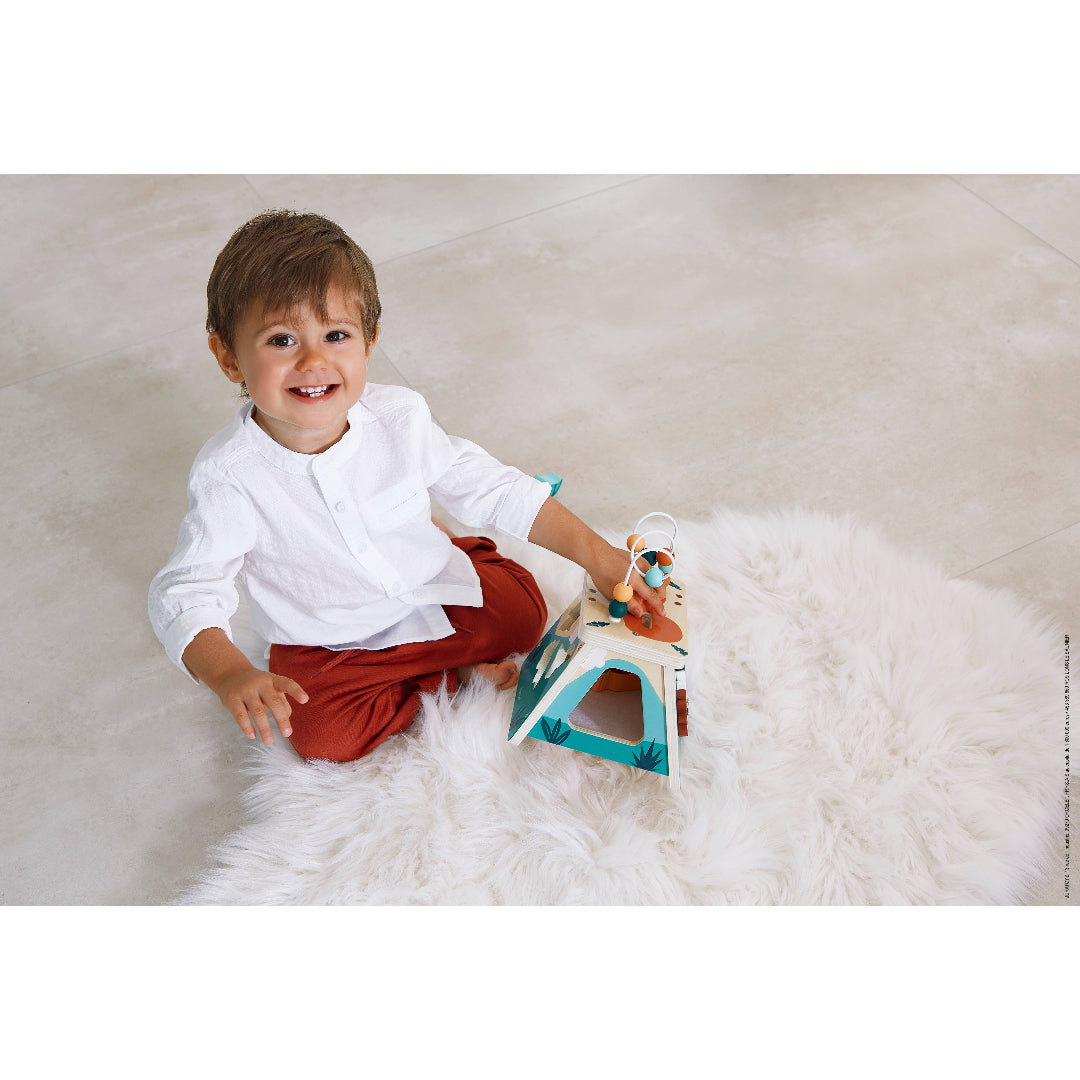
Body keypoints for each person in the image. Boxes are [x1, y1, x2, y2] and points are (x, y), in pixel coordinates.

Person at [148, 210, 666, 763]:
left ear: (370, 341)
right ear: (229, 357)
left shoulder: (399, 417)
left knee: (524, 612)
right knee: (322, 735)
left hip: (432, 588)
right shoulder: (230, 477)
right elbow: (186, 592)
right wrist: (231, 674)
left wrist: (597, 555)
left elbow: (491, 487)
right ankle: (450, 681)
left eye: (336, 335)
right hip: (335, 644)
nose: (313, 360)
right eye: (281, 339)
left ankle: (448, 558)